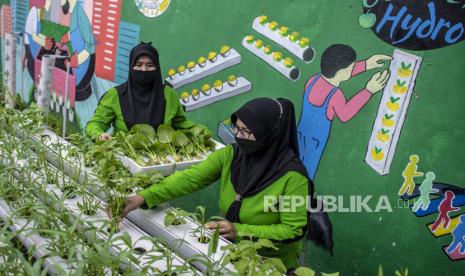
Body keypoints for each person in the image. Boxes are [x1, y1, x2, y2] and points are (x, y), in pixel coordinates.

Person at [120, 97, 310, 270]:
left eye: (247, 132)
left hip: (269, 264)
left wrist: (240, 231)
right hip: (230, 252)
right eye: (237, 128)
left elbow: (293, 230)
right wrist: (144, 196)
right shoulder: (232, 155)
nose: (239, 136)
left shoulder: (293, 177)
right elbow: (191, 178)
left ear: (269, 134)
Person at [297, 44, 391, 181]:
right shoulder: (335, 95)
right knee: (307, 173)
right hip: (316, 142)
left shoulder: (313, 79)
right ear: (342, 72)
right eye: (351, 68)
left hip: (299, 134)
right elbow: (345, 114)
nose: (353, 69)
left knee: (292, 166)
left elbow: (341, 73)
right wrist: (368, 90)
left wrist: (366, 65)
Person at [86, 42, 207, 141]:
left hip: (162, 160)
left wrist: (204, 133)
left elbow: (183, 124)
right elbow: (95, 123)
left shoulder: (168, 95)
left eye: (150, 65)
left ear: (157, 68)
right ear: (131, 67)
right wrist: (99, 134)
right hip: (123, 157)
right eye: (138, 65)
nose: (144, 69)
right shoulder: (115, 95)